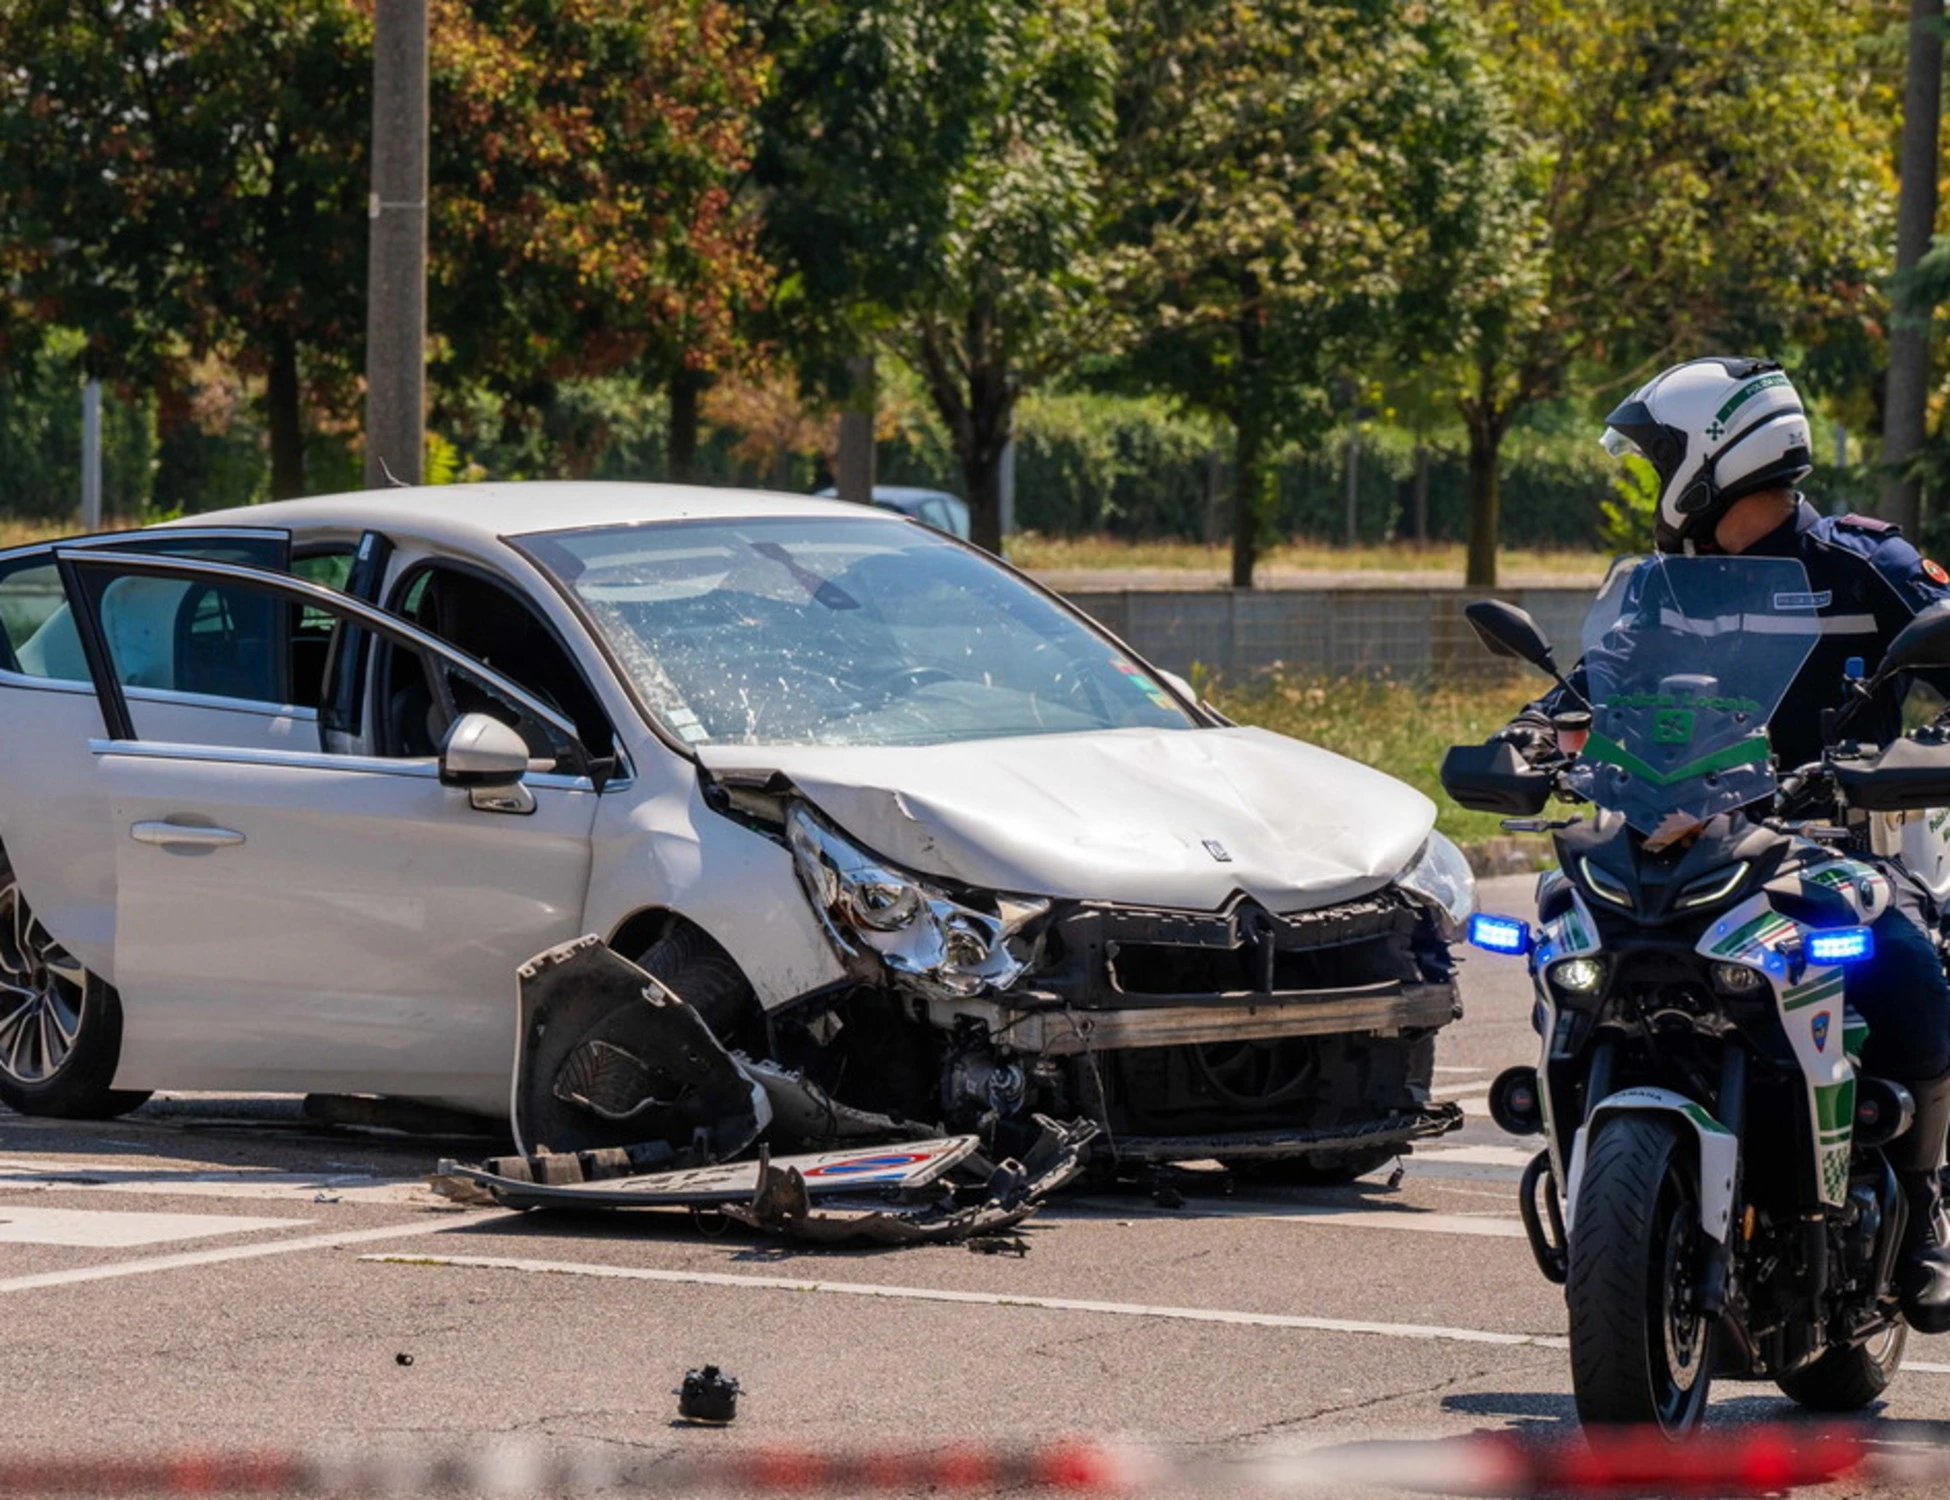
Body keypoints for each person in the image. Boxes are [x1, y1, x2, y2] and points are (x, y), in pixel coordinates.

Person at [1496, 356, 1950, 1333]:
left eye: (1655, 455)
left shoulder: (1867, 567)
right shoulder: (1659, 588)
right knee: (1564, 939)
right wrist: (1529, 741)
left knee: (1909, 969)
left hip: (1833, 847)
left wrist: (1922, 753)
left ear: (1712, 461)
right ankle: (1591, 1157)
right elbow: (1584, 692)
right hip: (1678, 838)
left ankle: (1920, 1214)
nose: (1645, 476)